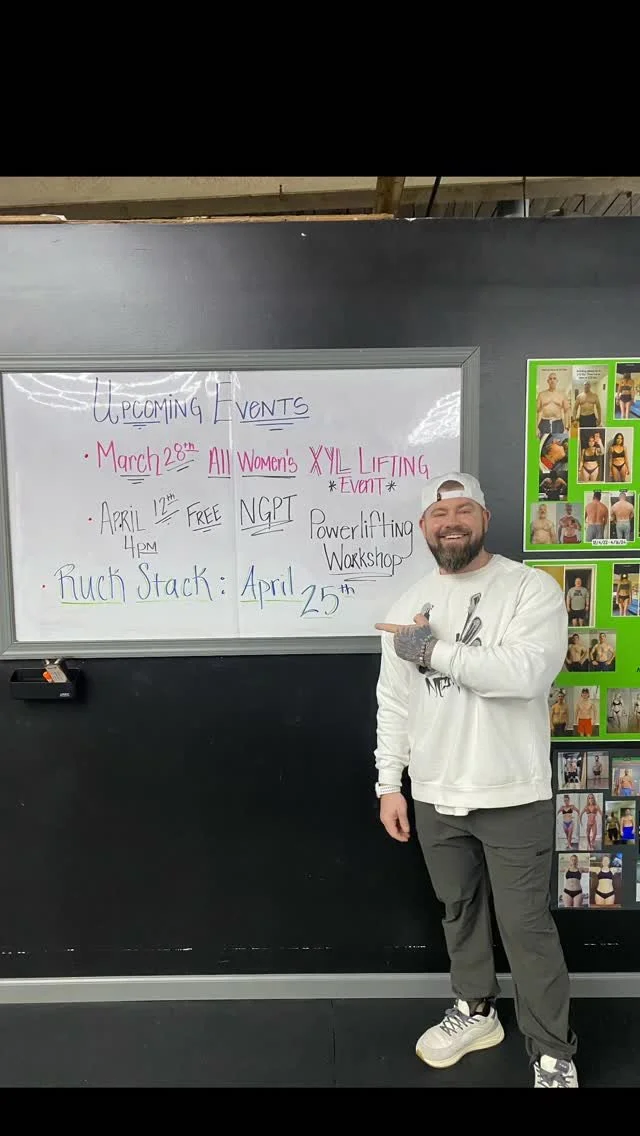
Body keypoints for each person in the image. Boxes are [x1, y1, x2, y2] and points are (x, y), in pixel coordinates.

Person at [374, 471, 578, 1088]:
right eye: (439, 515)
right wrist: (389, 783)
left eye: (463, 510)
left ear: (484, 518)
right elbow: (394, 703)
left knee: (526, 929)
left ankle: (553, 1052)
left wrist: (431, 650)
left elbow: (525, 675)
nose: (452, 523)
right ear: (424, 527)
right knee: (458, 910)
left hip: (512, 791)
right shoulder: (408, 604)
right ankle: (476, 1010)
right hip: (435, 792)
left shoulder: (529, 589)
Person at [537, 373, 570, 438]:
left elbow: (566, 411)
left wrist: (566, 427)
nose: (552, 380)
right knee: (544, 443)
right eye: (550, 379)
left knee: (558, 442)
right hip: (544, 423)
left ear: (557, 381)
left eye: (554, 378)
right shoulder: (541, 395)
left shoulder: (562, 395)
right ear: (548, 381)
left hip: (558, 423)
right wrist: (536, 427)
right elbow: (538, 411)